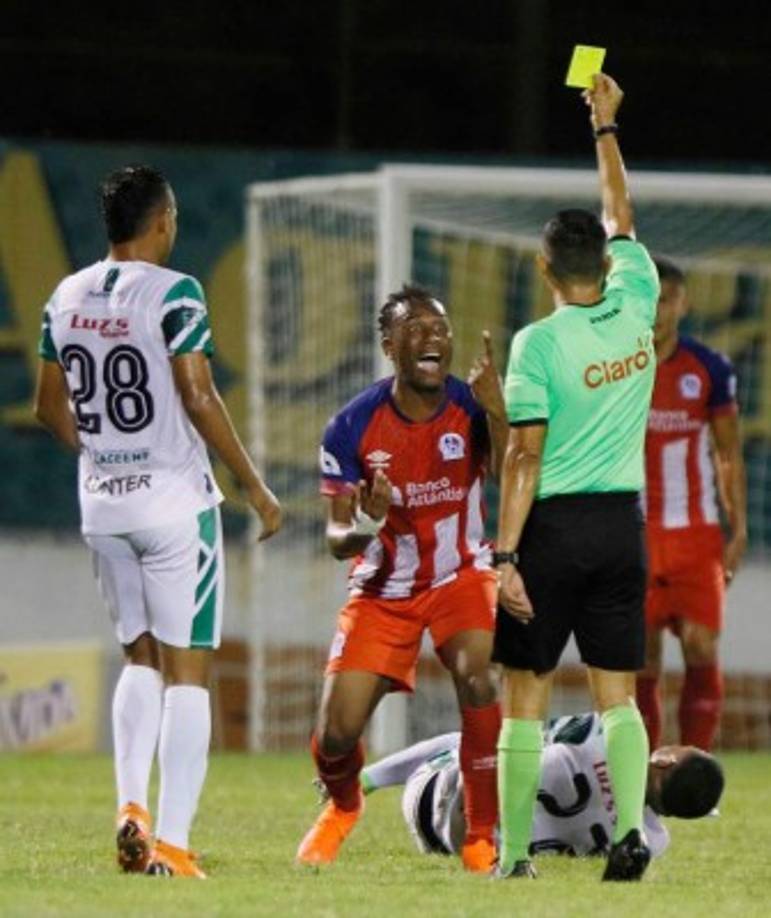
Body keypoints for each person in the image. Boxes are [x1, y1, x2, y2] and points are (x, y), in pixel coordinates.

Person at [33, 164, 281, 878]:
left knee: (138, 658)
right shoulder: (176, 292)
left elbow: (51, 406)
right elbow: (198, 394)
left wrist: (107, 452)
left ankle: (131, 807)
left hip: (103, 505)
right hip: (174, 506)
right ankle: (170, 843)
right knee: (189, 674)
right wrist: (254, 486)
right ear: (164, 221)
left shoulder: (65, 293)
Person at [493, 73, 660, 881]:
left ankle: (518, 855)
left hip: (552, 529)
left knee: (523, 695)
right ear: (606, 259)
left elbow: (522, 454)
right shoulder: (636, 302)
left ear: (542, 266)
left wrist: (503, 555)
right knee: (616, 695)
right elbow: (622, 215)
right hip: (621, 526)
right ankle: (628, 833)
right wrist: (604, 128)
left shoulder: (537, 345)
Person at [295, 284, 509, 873]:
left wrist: (498, 408)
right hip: (384, 589)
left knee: (480, 677)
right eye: (416, 328)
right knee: (336, 736)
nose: (433, 337)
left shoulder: (470, 407)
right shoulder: (351, 427)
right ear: (389, 345)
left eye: (440, 328)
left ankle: (481, 837)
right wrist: (370, 523)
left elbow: (521, 467)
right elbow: (337, 540)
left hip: (461, 573)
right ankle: (343, 805)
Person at [636, 257, 746, 752]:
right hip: (631, 532)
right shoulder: (615, 370)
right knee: (641, 660)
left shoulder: (708, 368)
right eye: (651, 299)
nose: (658, 311)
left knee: (701, 645)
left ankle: (696, 769)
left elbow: (727, 452)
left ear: (684, 303)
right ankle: (643, 779)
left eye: (667, 299)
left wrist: (737, 527)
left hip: (695, 532)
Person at [356, 713, 724, 861]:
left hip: (437, 795)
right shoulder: (653, 843)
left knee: (486, 738)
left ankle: (367, 779)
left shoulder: (601, 735)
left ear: (665, 760)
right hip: (443, 846)